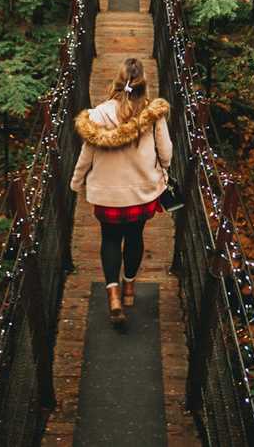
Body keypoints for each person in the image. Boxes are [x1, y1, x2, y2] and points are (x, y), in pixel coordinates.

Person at [71, 58, 172, 326]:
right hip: (143, 193)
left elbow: (86, 153)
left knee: (110, 239)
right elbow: (167, 152)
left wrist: (76, 180)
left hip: (107, 196)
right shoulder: (153, 113)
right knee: (135, 235)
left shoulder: (97, 114)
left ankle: (113, 295)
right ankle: (129, 289)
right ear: (143, 85)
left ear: (117, 82)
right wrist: (163, 169)